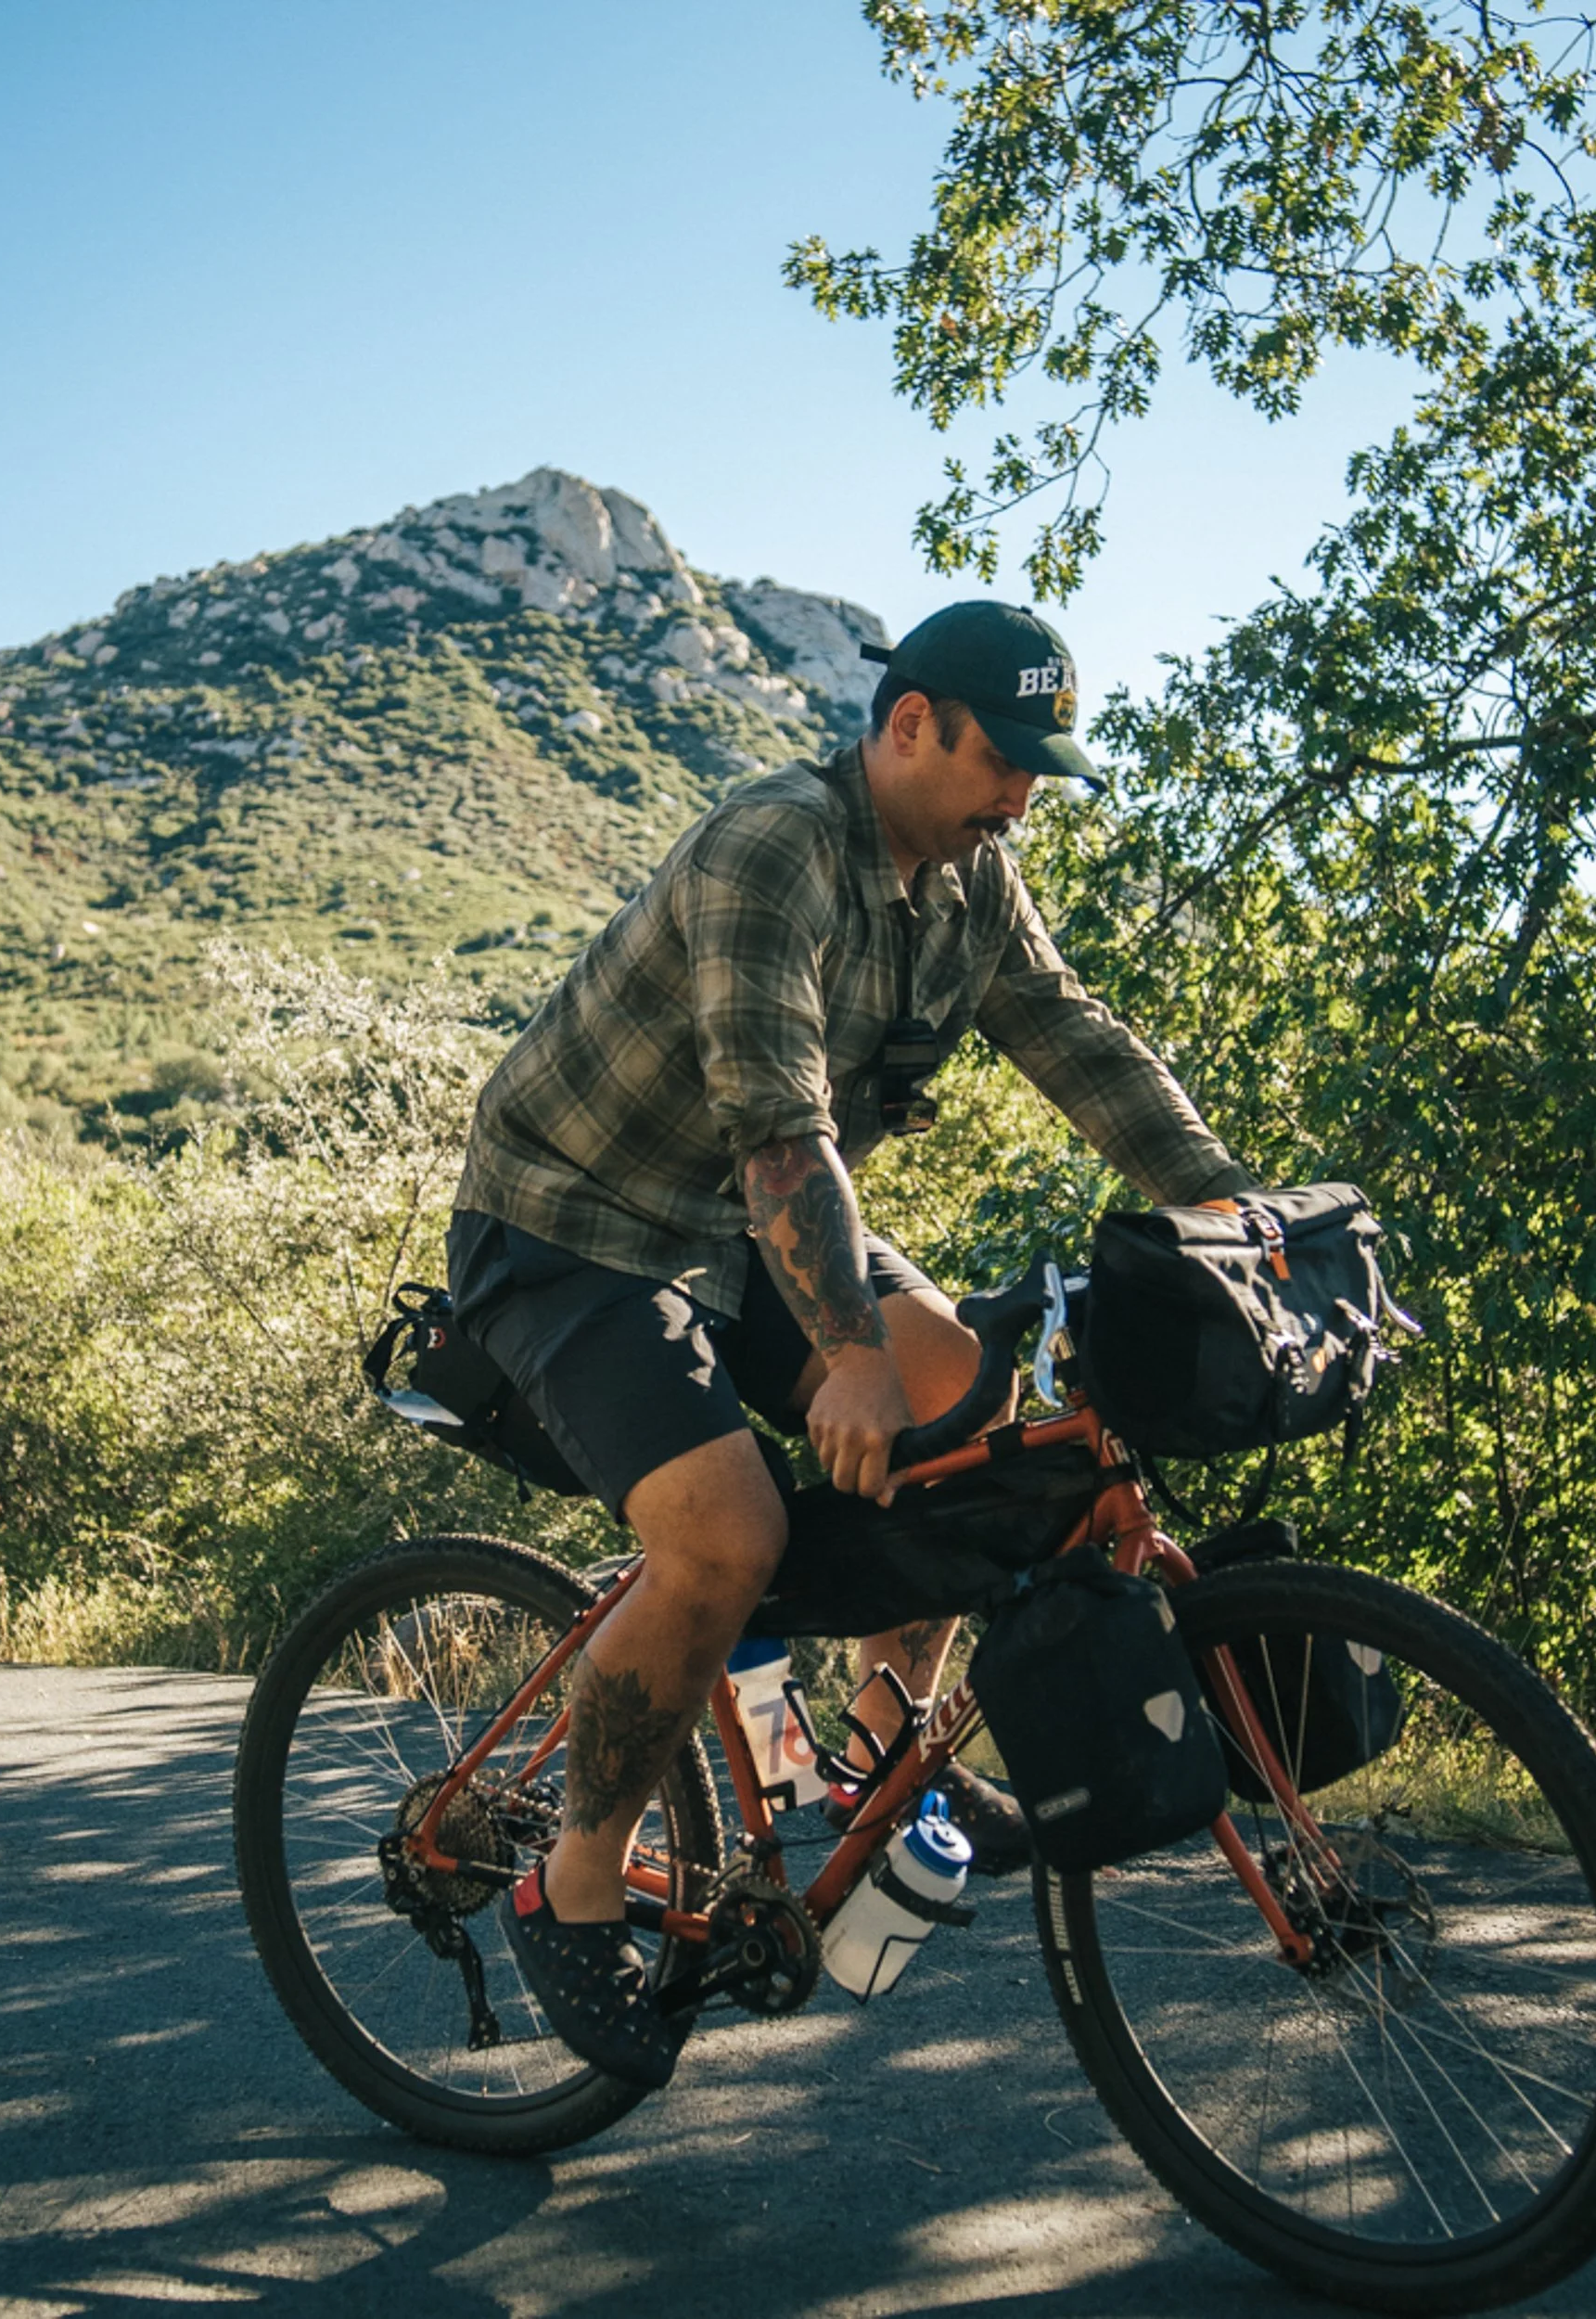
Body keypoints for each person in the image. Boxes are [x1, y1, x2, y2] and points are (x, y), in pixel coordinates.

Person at [445, 601, 1256, 2089]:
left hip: (742, 1223)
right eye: (1004, 756)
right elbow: (779, 1131)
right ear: (908, 727)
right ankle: (567, 1886)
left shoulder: (972, 878)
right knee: (725, 1537)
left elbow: (1078, 1042)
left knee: (965, 1401)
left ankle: (881, 1733)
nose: (1024, 789)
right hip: (576, 1225)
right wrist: (846, 1356)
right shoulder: (774, 851)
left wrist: (1237, 1215)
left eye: (1041, 764)